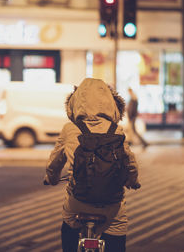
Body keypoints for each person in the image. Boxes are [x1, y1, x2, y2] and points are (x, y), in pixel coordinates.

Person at [44, 78, 141, 252]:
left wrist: (51, 178)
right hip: (111, 204)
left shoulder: (70, 129)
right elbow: (130, 163)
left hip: (78, 201)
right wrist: (132, 181)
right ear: (110, 103)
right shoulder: (116, 130)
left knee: (68, 222)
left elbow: (55, 161)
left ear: (76, 102)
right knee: (118, 226)